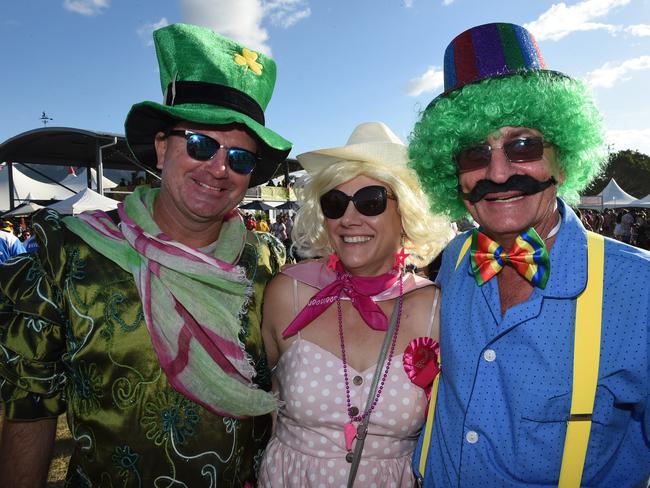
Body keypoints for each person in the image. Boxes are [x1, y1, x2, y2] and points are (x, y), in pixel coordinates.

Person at [0, 23, 292, 487]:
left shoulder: (271, 265)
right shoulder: (67, 255)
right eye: (200, 144)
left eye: (240, 158)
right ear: (161, 148)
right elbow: (29, 410)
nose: (219, 168)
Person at [408, 22, 650, 487]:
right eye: (474, 154)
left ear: (563, 157)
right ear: (453, 176)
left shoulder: (639, 292)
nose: (498, 173)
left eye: (523, 145)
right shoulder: (456, 258)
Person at [258, 122, 452, 487]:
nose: (349, 218)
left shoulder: (434, 308)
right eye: (335, 203)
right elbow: (267, 402)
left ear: (405, 212)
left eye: (370, 201)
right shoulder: (288, 293)